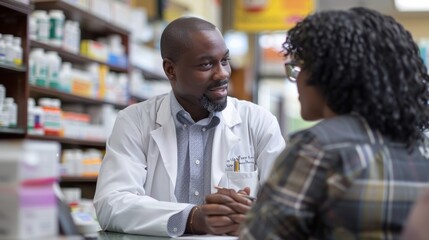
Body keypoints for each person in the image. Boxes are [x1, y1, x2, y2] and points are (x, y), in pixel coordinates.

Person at [240, 7, 429, 240]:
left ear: (329, 72)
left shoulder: (318, 147)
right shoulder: (422, 147)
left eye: (299, 67)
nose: (296, 79)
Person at [93, 16, 285, 237]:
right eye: (206, 64)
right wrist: (191, 218)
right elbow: (111, 204)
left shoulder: (258, 121)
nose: (223, 73)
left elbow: (285, 205)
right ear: (170, 70)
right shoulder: (134, 121)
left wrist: (249, 212)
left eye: (225, 60)